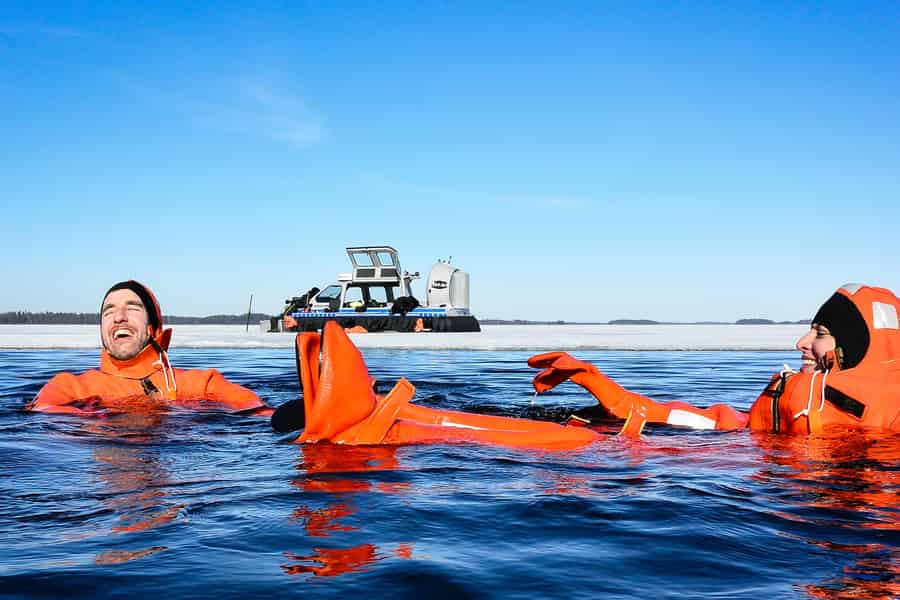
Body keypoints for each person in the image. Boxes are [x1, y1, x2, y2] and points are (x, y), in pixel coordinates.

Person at [528, 283, 900, 436]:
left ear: (860, 348)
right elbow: (704, 422)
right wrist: (597, 382)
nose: (801, 342)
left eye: (820, 334)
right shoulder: (788, 408)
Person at [29, 280, 272, 416]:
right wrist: (102, 419)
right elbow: (45, 414)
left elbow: (258, 412)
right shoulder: (69, 387)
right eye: (109, 311)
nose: (119, 317)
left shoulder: (202, 383)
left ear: (152, 327)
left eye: (132, 308)